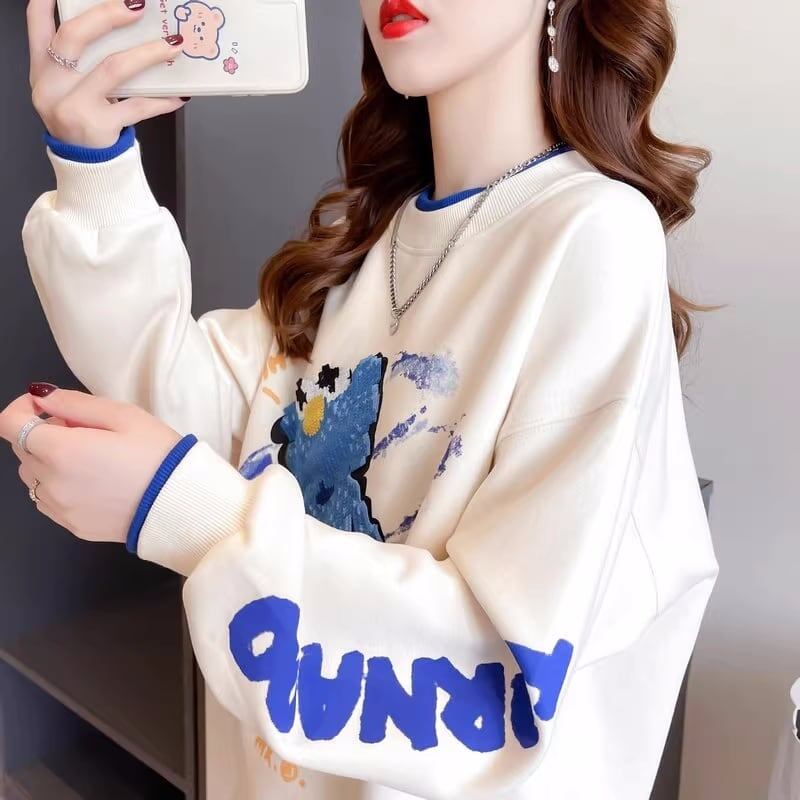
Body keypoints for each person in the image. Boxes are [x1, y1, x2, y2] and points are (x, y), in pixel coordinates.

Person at [1, 0, 720, 797]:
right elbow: (172, 390)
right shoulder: (366, 236)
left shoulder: (594, 235)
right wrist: (93, 158)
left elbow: (502, 670)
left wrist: (179, 508)